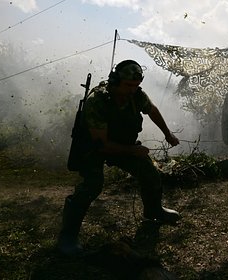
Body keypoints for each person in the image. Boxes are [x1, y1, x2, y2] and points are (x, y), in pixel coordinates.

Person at [57, 59, 181, 256]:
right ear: (115, 81)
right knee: (91, 185)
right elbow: (103, 145)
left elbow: (152, 110)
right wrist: (133, 151)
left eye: (136, 86)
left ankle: (153, 212)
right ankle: (68, 237)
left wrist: (168, 133)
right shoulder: (97, 101)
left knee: (149, 172)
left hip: (122, 144)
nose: (133, 90)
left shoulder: (136, 95)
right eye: (128, 86)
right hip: (94, 149)